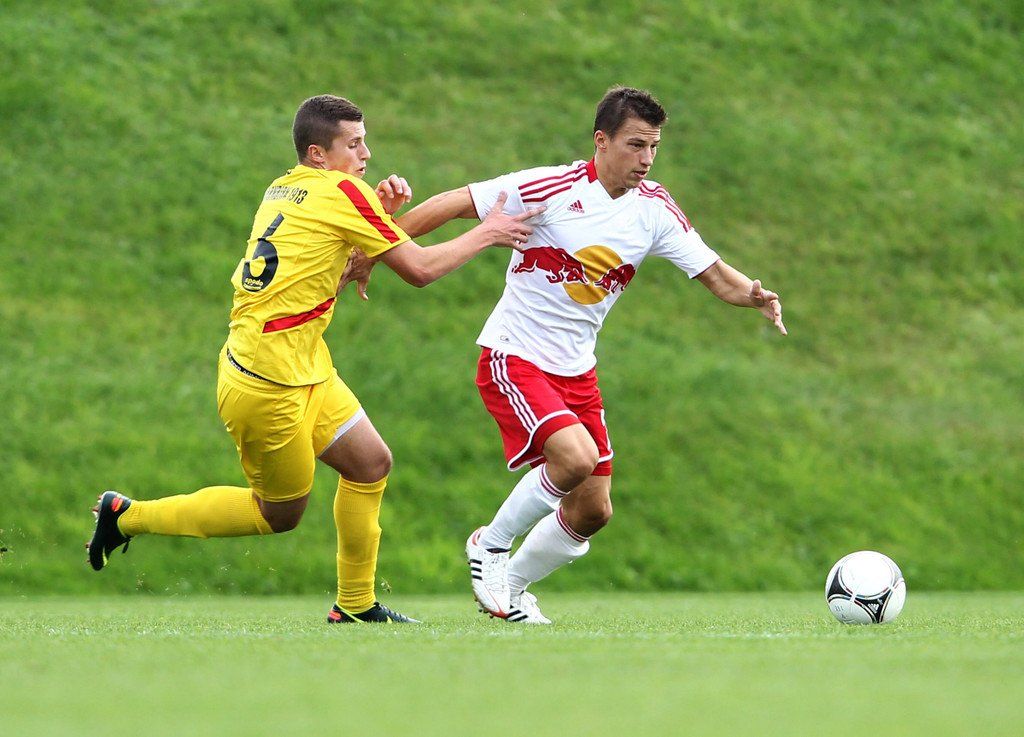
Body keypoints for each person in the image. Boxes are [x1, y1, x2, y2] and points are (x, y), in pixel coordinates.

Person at [86, 94, 541, 624]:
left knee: (370, 464)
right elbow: (419, 271)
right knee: (278, 514)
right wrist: (487, 233)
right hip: (267, 383)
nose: (366, 154)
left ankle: (355, 605)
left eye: (365, 142)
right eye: (354, 144)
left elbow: (330, 256)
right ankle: (128, 516)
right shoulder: (343, 193)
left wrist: (379, 216)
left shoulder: (284, 186)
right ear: (318, 153)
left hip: (300, 363)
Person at [383, 86, 787, 623]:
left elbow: (714, 274)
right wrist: (377, 246)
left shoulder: (654, 209)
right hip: (515, 356)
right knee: (574, 459)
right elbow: (455, 203)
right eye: (636, 145)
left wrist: (753, 295)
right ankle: (491, 545)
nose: (646, 159)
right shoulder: (549, 187)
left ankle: (513, 589)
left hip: (577, 371)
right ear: (601, 140)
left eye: (654, 147)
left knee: (593, 509)